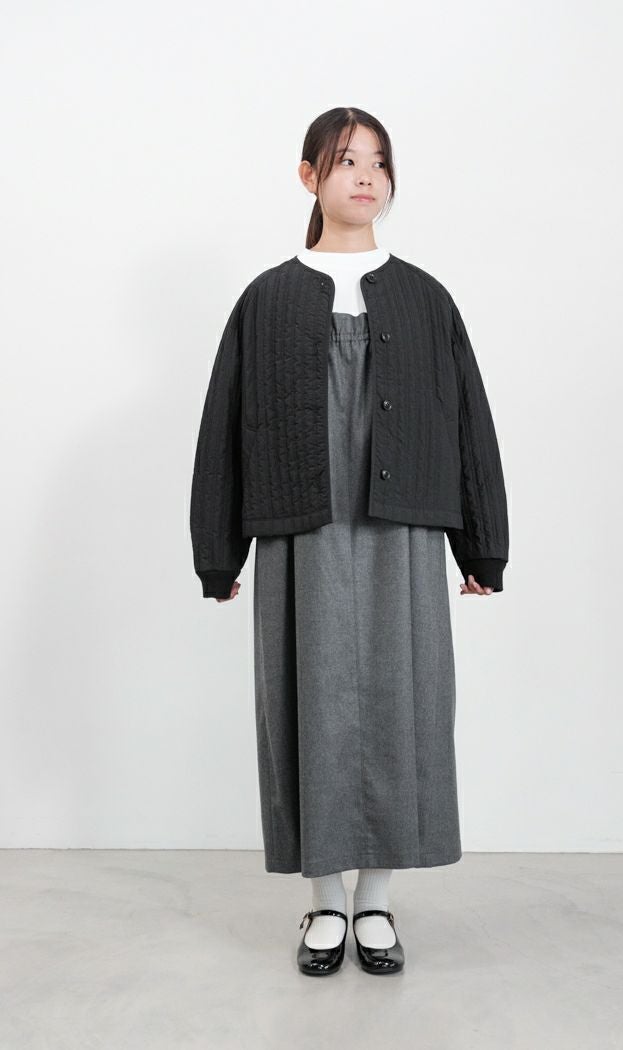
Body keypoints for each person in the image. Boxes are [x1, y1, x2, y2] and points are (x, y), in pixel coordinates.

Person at [189, 107, 509, 977]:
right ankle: (325, 901)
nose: (366, 177)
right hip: (300, 520)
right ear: (309, 177)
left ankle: (377, 901)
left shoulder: (425, 296)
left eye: (378, 162)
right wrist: (218, 552)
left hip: (404, 519)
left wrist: (483, 546)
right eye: (345, 161)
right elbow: (223, 427)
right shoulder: (266, 298)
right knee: (310, 697)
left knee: (404, 700)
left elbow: (468, 420)